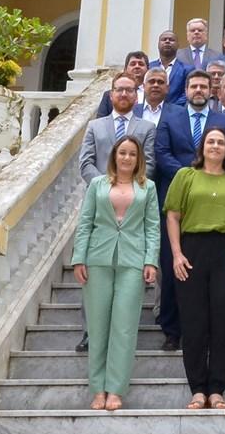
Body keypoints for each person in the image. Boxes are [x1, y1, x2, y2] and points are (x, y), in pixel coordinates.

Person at [71, 135, 160, 411]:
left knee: (124, 327)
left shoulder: (148, 187)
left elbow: (152, 227)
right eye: (122, 153)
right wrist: (78, 258)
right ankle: (98, 389)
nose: (126, 158)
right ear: (114, 156)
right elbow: (85, 222)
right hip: (98, 258)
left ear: (138, 159)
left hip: (133, 262)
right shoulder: (97, 184)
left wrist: (150, 261)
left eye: (132, 154)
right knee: (98, 328)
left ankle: (116, 390)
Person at [155, 69, 225, 351]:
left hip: (215, 203)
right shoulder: (170, 117)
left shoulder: (222, 121)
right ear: (186, 90)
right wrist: (191, 177)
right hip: (177, 202)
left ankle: (211, 329)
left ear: (211, 90)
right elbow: (161, 152)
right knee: (173, 265)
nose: (199, 90)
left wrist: (204, 176)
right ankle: (171, 329)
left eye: (204, 86)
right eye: (194, 86)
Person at [164, 127, 225, 410]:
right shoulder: (185, 176)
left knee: (224, 322)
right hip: (191, 251)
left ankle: (217, 389)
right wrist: (176, 254)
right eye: (210, 141)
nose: (214, 146)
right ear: (202, 148)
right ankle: (198, 389)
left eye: (220, 142)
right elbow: (173, 216)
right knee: (194, 321)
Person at [77, 72, 158, 352]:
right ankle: (91, 333)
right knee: (94, 275)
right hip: (100, 206)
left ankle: (121, 336)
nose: (124, 95)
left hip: (133, 205)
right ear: (111, 95)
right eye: (119, 90)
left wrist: (128, 188)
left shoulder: (147, 127)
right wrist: (105, 187)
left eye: (129, 90)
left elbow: (149, 164)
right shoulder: (95, 126)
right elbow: (85, 162)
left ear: (137, 96)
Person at [96, 51, 148, 117]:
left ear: (148, 69)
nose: (137, 66)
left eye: (141, 64)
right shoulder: (108, 96)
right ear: (125, 69)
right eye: (133, 64)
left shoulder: (153, 95)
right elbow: (100, 121)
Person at [150, 30, 189, 106]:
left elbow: (186, 93)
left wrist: (169, 108)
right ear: (158, 44)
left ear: (178, 45)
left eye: (171, 40)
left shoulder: (187, 69)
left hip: (175, 112)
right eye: (164, 39)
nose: (167, 41)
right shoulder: (149, 67)